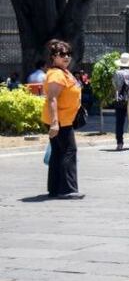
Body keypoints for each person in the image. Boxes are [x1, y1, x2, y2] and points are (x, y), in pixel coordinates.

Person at [41, 39, 82, 199]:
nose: (67, 57)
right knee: (68, 151)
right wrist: (54, 123)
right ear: (53, 56)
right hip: (60, 120)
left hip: (64, 119)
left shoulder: (63, 71)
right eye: (62, 54)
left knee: (58, 152)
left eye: (69, 54)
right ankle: (67, 189)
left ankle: (55, 188)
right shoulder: (57, 74)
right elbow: (52, 99)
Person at [113, 52, 129, 151]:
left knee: (119, 122)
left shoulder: (118, 73)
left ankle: (120, 143)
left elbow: (117, 87)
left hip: (121, 101)